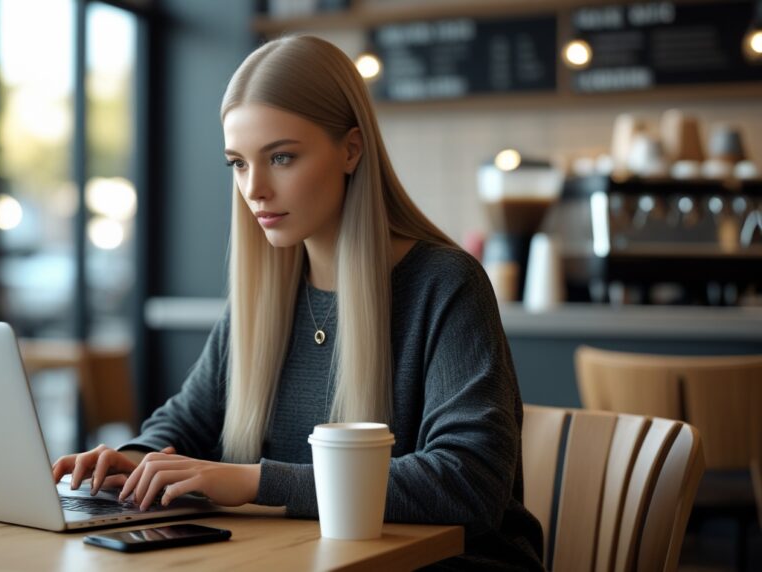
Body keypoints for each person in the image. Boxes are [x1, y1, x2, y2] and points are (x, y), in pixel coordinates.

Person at [52, 35, 544, 570]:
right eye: (237, 164)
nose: (255, 189)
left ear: (351, 149)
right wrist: (134, 461)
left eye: (281, 157)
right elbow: (186, 424)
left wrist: (253, 481)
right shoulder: (264, 297)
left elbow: (468, 484)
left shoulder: (445, 283)